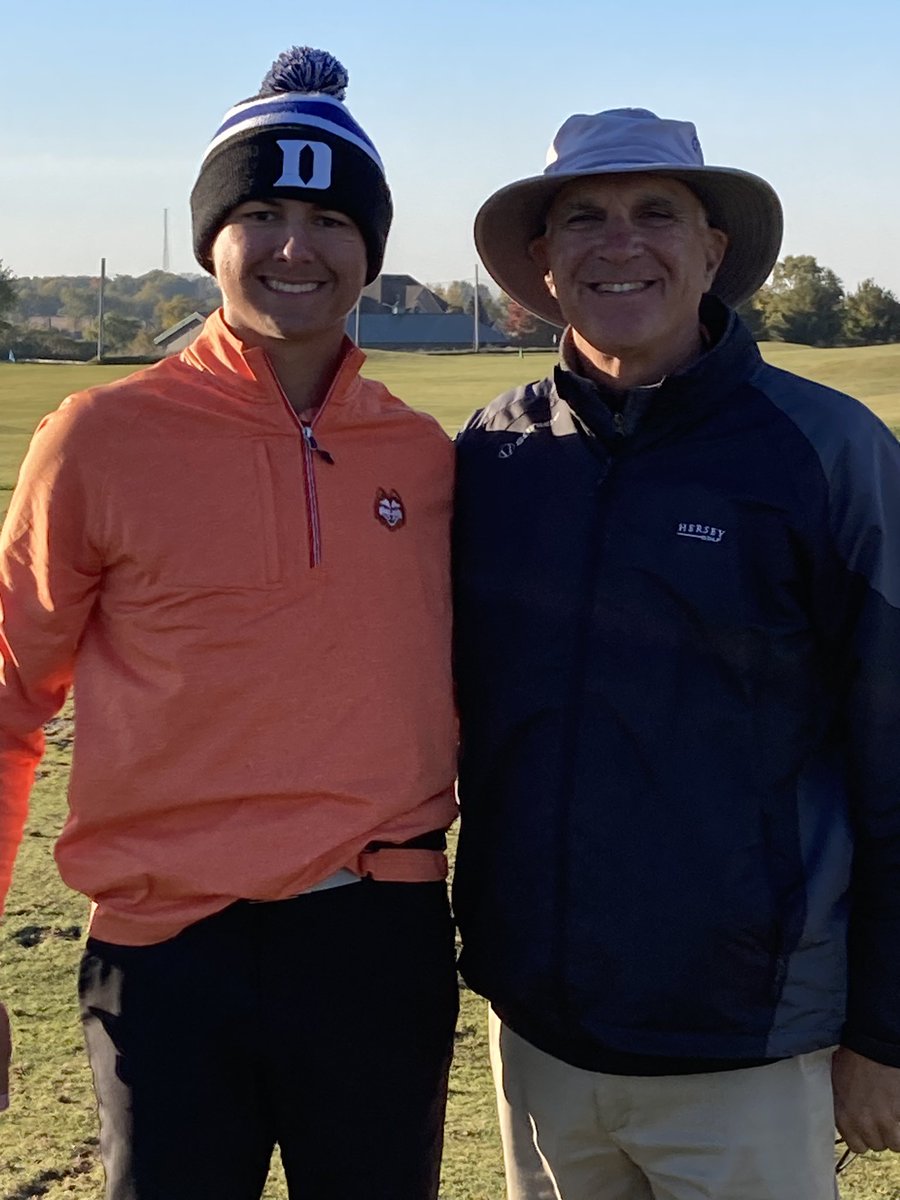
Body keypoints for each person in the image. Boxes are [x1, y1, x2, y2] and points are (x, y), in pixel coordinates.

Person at [0, 46, 458, 1200]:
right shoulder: (97, 438)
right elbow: (10, 698)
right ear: (210, 239)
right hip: (166, 958)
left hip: (375, 940)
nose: (296, 245)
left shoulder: (429, 458)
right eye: (260, 211)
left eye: (329, 216)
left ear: (372, 249)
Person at [452, 107, 900, 1199]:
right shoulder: (492, 456)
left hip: (749, 1043)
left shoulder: (826, 451)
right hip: (544, 1042)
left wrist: (885, 1029)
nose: (621, 242)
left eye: (659, 213)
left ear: (714, 251)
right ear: (542, 265)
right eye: (583, 218)